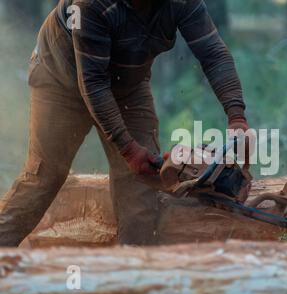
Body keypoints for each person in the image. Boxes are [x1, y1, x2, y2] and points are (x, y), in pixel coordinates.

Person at [0, 0, 249, 246]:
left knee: (138, 187)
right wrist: (129, 150)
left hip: (127, 85)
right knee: (45, 177)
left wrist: (237, 117)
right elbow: (94, 84)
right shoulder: (90, 5)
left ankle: (132, 274)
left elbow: (213, 54)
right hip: (60, 85)